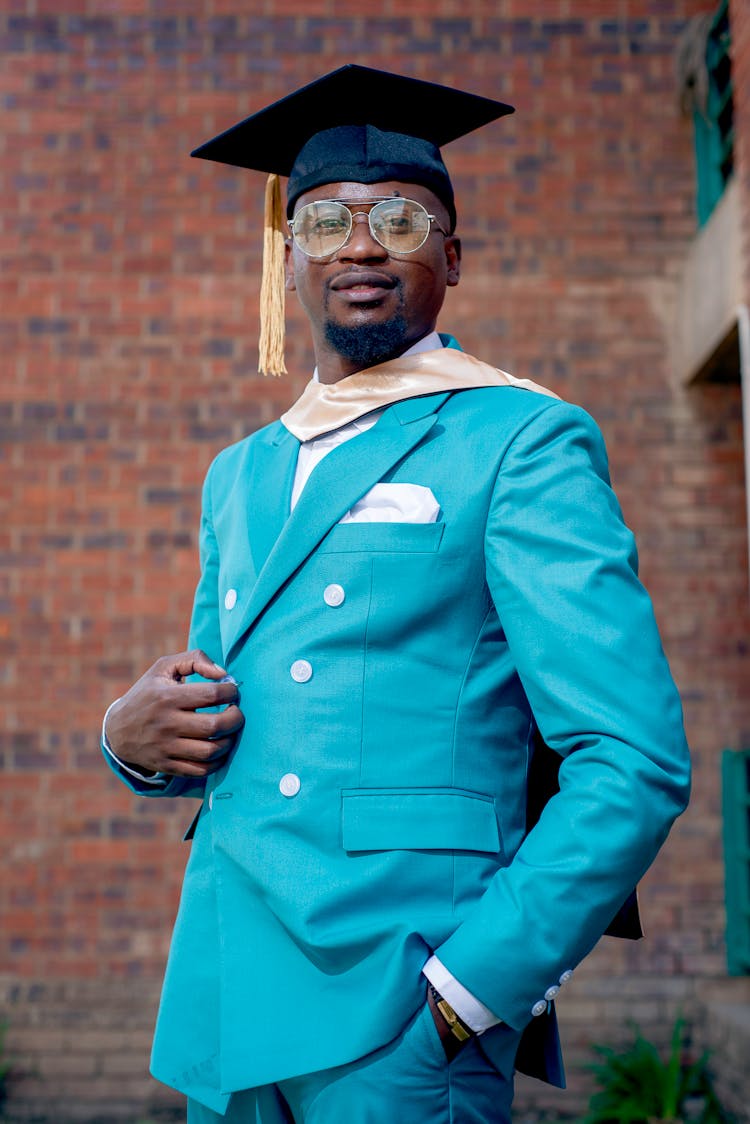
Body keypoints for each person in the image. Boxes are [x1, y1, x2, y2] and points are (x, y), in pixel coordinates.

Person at [101, 65, 691, 1124]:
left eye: (401, 220)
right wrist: (132, 738)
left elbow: (633, 760)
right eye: (325, 220)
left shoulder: (518, 438)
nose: (360, 245)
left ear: (452, 257)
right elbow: (226, 727)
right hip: (231, 995)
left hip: (400, 1006)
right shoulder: (239, 472)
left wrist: (469, 994)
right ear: (285, 254)